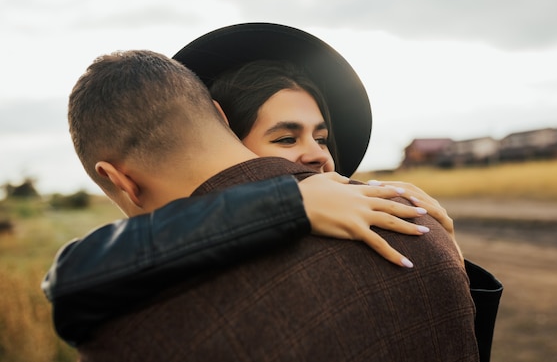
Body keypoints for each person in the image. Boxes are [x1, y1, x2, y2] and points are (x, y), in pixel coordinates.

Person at [60, 49, 478, 361]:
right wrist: (289, 201)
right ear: (224, 121)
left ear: (120, 181)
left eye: (321, 136)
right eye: (285, 138)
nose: (314, 155)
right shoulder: (413, 224)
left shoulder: (135, 330)